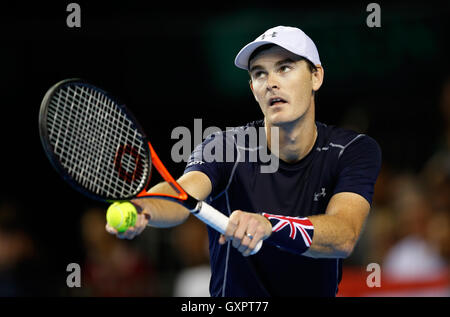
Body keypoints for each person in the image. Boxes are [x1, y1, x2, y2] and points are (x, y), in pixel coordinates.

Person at [106, 26, 381, 296]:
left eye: (284, 68)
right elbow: (180, 194)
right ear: (253, 88)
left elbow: (344, 235)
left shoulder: (352, 150)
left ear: (316, 76)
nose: (271, 82)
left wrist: (268, 225)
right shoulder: (225, 147)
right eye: (259, 73)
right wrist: (143, 208)